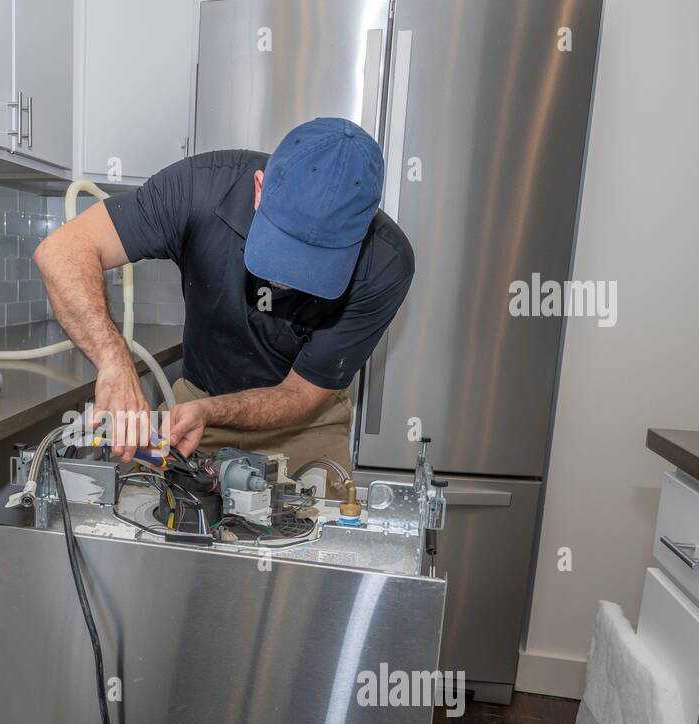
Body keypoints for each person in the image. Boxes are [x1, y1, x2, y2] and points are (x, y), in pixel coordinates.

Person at [33, 117, 414, 480]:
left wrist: (211, 411)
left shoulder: (385, 263)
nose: (288, 278)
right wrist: (114, 362)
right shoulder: (201, 188)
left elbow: (301, 392)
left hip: (304, 423)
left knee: (313, 539)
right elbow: (63, 251)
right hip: (197, 404)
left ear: (361, 234)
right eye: (283, 249)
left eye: (314, 263)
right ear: (259, 189)